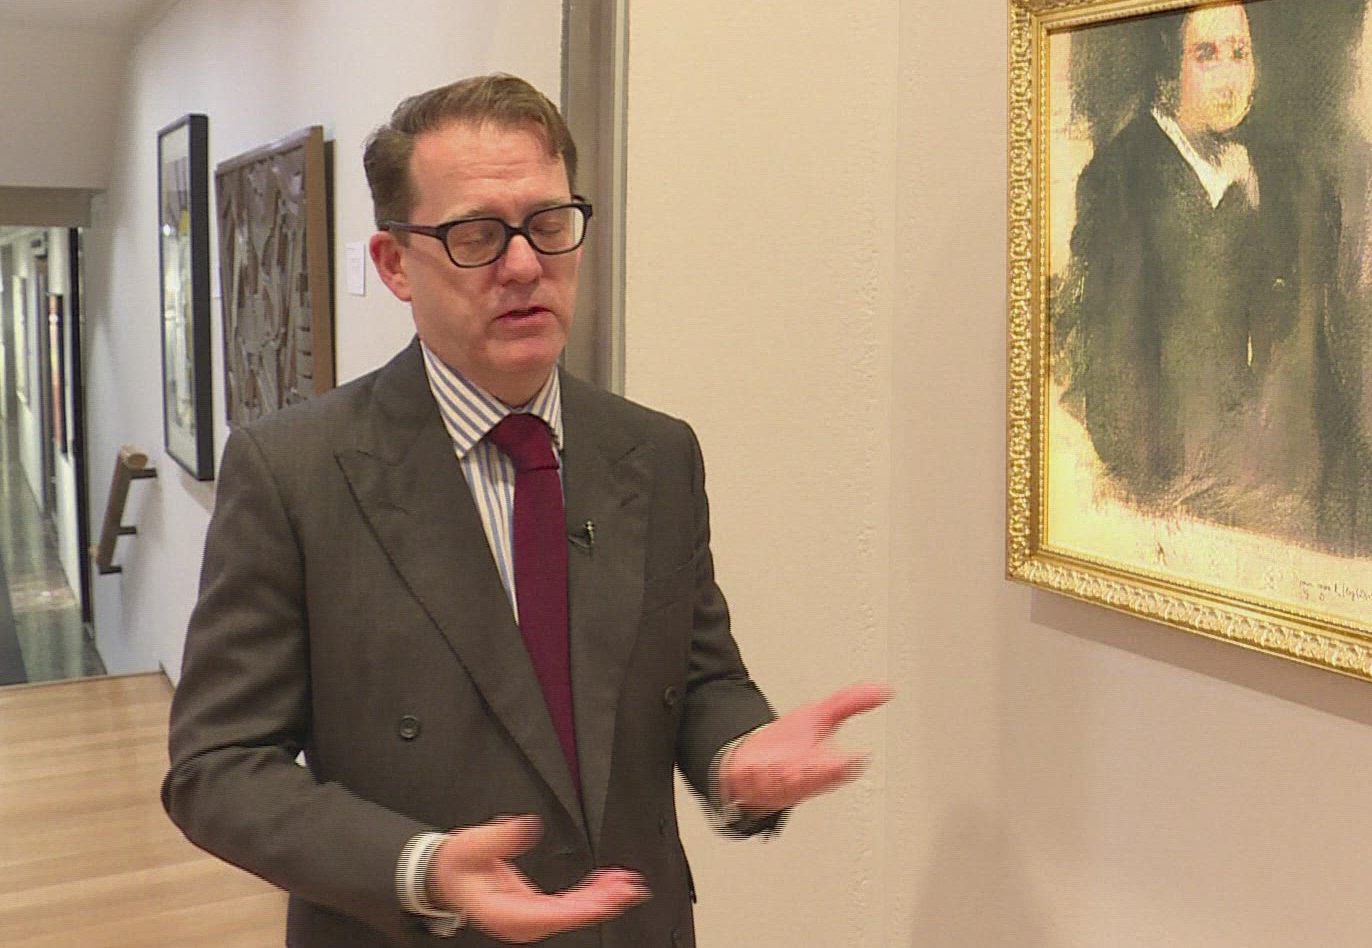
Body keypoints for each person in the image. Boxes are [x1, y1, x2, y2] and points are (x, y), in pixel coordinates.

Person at [164, 74, 889, 947]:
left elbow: (698, 678)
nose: (522, 266)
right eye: (476, 235)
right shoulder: (295, 471)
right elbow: (218, 767)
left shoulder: (655, 452)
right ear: (394, 264)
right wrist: (418, 866)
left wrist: (736, 758)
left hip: (633, 927)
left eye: (548, 224)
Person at [1057, 0, 1372, 560]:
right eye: (1206, 56)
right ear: (1167, 71)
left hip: (1285, 497)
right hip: (1183, 506)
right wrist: (1157, 489)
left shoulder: (1282, 173)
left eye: (1239, 54)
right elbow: (1114, 367)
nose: (1229, 78)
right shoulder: (1121, 179)